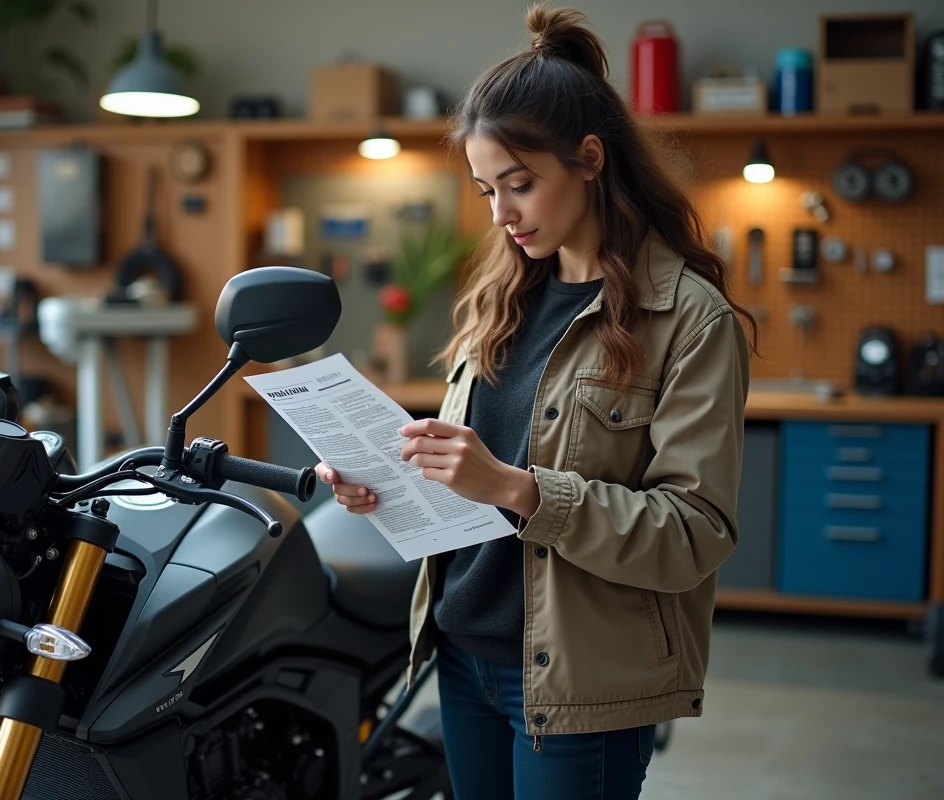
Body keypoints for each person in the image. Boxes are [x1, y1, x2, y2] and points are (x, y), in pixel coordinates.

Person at [314, 4, 758, 799]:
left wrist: (518, 490)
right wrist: (386, 479)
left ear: (589, 158)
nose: (500, 215)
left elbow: (696, 532)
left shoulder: (689, 320)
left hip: (579, 679)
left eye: (520, 184)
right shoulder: (503, 296)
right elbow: (472, 471)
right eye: (486, 189)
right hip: (461, 652)